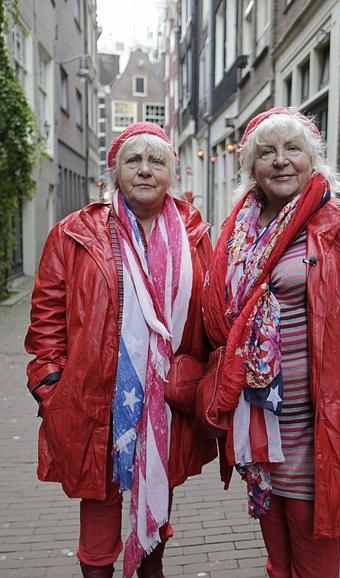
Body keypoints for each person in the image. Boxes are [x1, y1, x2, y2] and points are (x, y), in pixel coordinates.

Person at [201, 107, 340, 578]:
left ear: (312, 159)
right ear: (251, 168)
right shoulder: (236, 236)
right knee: (278, 558)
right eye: (267, 152)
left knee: (316, 558)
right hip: (259, 424)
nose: (281, 161)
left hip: (322, 425)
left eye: (293, 149)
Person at [25, 122, 216, 578]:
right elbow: (46, 317)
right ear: (115, 172)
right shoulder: (73, 233)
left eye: (156, 161)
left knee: (157, 498)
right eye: (133, 161)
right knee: (99, 508)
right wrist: (52, 384)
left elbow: (212, 314)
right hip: (95, 399)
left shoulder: (196, 235)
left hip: (166, 400)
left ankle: (151, 568)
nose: (145, 171)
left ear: (173, 173)